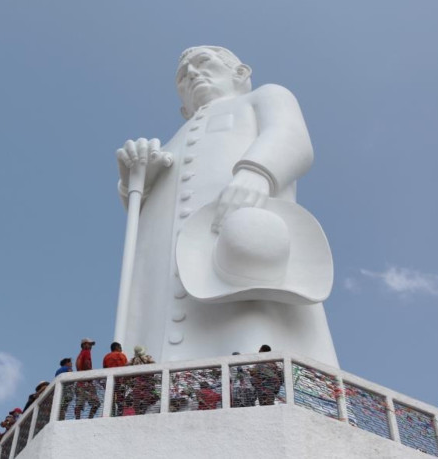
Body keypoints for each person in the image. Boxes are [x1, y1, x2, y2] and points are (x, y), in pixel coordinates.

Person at [114, 46, 338, 368]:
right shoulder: (171, 142)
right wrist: (135, 180)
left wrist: (258, 171)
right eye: (182, 76)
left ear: (241, 73)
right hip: (164, 270)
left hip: (236, 243)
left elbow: (290, 135)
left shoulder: (262, 96)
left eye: (203, 63)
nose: (191, 74)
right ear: (182, 108)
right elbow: (142, 214)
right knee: (153, 332)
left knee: (248, 322)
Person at [73, 338, 101, 419]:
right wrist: (90, 372)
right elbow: (86, 363)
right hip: (86, 382)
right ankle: (90, 418)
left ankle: (78, 419)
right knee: (96, 403)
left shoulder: (80, 354)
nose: (90, 346)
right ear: (84, 345)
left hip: (80, 382)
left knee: (79, 403)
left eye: (91, 345)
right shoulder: (86, 352)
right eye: (89, 344)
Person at [129, 346, 158, 414]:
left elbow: (126, 367)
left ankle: (139, 413)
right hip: (147, 382)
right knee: (150, 399)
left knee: (137, 401)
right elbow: (154, 365)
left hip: (137, 384)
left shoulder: (132, 360)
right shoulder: (147, 357)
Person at [103, 342, 128, 415]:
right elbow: (126, 368)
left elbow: (104, 369)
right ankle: (119, 413)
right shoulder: (122, 356)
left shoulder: (106, 357)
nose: (121, 349)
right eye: (120, 347)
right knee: (120, 398)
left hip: (110, 381)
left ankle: (111, 413)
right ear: (116, 347)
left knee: (111, 398)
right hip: (120, 380)